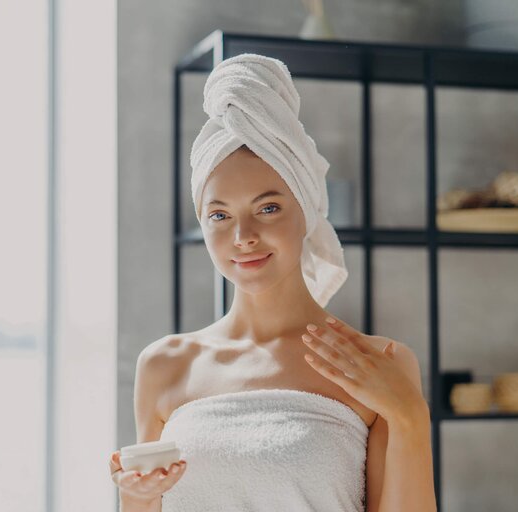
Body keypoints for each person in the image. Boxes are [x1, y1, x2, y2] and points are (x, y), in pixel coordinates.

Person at [109, 54, 437, 512]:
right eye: (219, 215)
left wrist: (410, 416)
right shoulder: (165, 365)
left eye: (268, 208)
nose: (243, 237)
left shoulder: (377, 363)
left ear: (306, 210)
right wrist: (135, 497)